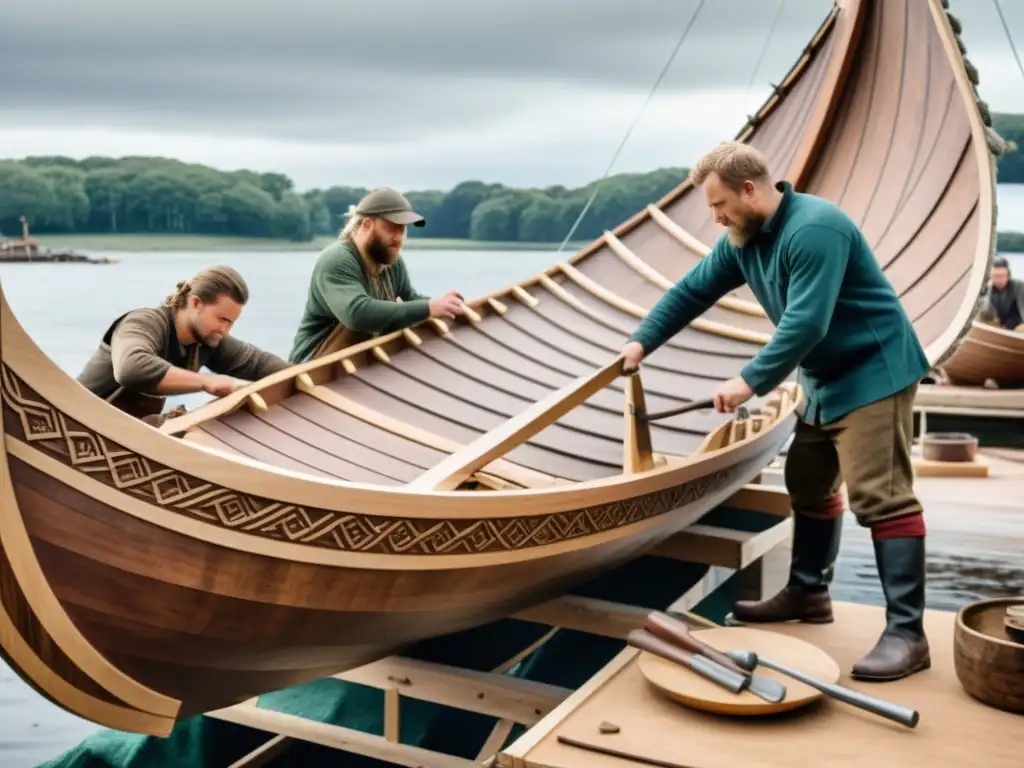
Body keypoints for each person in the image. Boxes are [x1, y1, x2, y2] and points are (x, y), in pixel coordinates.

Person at [620, 141, 931, 682]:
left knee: (881, 497)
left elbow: (806, 323)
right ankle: (809, 594)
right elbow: (692, 292)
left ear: (749, 189)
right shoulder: (742, 238)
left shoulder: (815, 229)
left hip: (873, 372)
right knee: (807, 483)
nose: (714, 217)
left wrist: (748, 381)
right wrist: (641, 342)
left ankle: (908, 633)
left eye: (718, 204)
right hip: (822, 378)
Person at [77, 265, 290, 427]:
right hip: (79, 423)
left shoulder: (209, 339)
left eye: (231, 322)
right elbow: (131, 368)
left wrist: (311, 379)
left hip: (125, 430)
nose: (225, 329)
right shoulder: (143, 322)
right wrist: (207, 382)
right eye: (222, 319)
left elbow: (260, 364)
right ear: (196, 303)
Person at [289, 187, 465, 363]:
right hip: (312, 367)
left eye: (402, 229)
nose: (398, 238)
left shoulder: (391, 260)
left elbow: (410, 299)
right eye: (392, 228)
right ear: (367, 225)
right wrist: (428, 307)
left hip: (359, 366)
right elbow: (357, 314)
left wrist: (446, 307)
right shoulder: (337, 259)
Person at [978, 256, 1024, 330]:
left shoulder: (1019, 287)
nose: (998, 280)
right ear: (991, 276)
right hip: (999, 324)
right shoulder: (988, 290)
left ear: (1008, 276)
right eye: (995, 276)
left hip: (1018, 323)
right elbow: (985, 312)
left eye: (1001, 276)